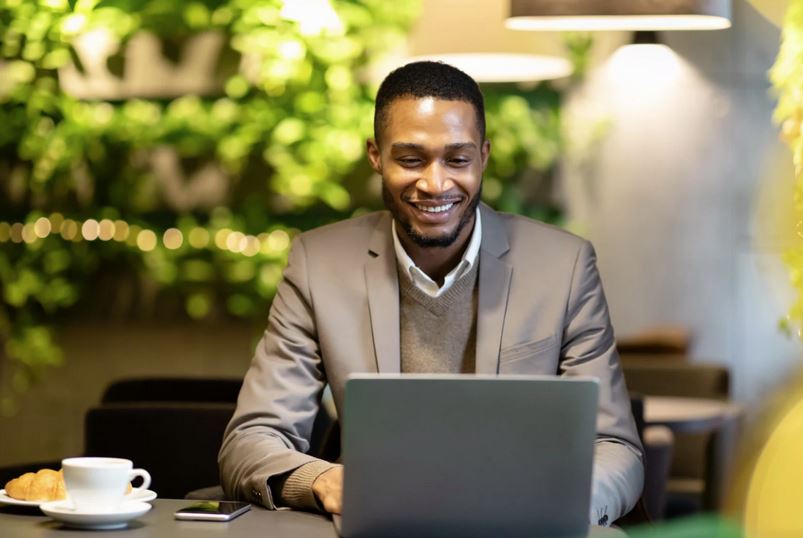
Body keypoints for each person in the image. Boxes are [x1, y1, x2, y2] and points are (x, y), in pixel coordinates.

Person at [219, 61, 644, 526]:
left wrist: (557, 507)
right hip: (379, 524)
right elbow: (251, 440)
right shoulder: (317, 264)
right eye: (411, 159)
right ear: (376, 156)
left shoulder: (564, 267)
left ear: (484, 156)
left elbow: (617, 447)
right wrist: (326, 482)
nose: (436, 184)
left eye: (457, 160)